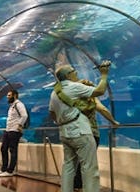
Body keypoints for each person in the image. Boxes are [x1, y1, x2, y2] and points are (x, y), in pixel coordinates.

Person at [49, 61, 111, 192]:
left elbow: (52, 113)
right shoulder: (73, 87)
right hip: (81, 132)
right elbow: (100, 91)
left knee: (68, 166)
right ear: (68, 75)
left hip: (65, 133)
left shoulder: (55, 92)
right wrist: (104, 75)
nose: (76, 73)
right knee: (89, 167)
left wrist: (62, 121)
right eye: (73, 71)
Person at [55, 78, 118, 189]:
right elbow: (102, 109)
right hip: (90, 132)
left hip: (70, 132)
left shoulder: (70, 99)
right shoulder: (90, 98)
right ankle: (82, 186)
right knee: (88, 164)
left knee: (71, 164)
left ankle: (72, 186)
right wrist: (113, 121)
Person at [0, 89, 28, 177]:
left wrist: (20, 125)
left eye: (9, 95)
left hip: (15, 131)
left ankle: (10, 171)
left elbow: (24, 115)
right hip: (8, 130)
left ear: (15, 95)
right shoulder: (12, 106)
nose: (7, 97)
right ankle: (3, 168)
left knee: (13, 150)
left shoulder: (19, 105)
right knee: (3, 148)